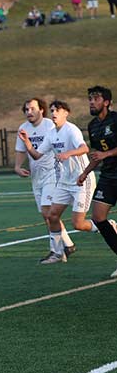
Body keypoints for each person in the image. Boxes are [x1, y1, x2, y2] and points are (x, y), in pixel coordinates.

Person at [19, 100, 97, 264]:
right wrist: (27, 142)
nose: (54, 113)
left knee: (78, 224)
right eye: (53, 110)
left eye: (58, 110)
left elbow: (85, 149)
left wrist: (68, 154)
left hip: (81, 179)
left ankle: (107, 225)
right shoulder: (51, 133)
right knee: (52, 216)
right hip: (65, 181)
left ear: (66, 113)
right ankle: (57, 252)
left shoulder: (71, 129)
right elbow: (36, 155)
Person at [15, 98, 74, 258]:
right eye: (26, 110)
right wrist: (18, 167)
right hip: (36, 176)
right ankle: (68, 244)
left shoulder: (50, 125)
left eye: (32, 109)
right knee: (46, 215)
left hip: (52, 173)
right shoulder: (23, 128)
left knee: (50, 213)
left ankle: (57, 251)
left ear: (41, 110)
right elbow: (21, 150)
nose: (29, 112)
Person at [76, 85, 117, 278]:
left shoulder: (115, 120)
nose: (91, 102)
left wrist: (106, 154)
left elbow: (103, 153)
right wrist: (85, 173)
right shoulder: (93, 126)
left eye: (96, 98)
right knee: (98, 218)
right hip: (108, 176)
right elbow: (96, 155)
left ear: (106, 102)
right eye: (90, 98)